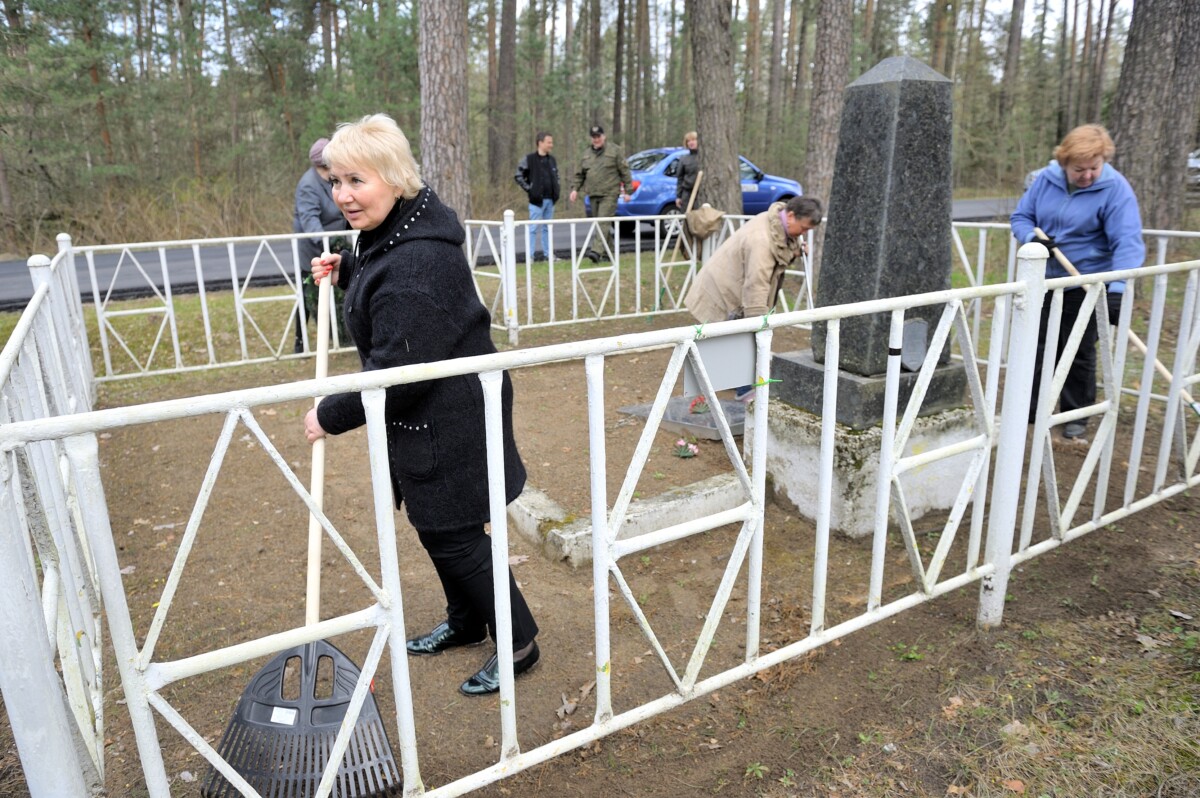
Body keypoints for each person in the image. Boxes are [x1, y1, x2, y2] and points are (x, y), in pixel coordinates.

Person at [302, 114, 540, 696]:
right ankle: (465, 623)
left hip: (448, 416)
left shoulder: (419, 260)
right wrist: (347, 268)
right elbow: (382, 267)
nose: (343, 196)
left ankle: (519, 643)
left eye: (356, 181)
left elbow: (398, 371)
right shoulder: (401, 227)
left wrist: (329, 415)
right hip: (432, 412)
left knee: (457, 535)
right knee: (438, 529)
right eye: (335, 182)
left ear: (392, 176)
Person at [1011, 123, 1145, 440]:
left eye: (1094, 168)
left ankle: (1075, 415)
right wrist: (1032, 238)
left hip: (1085, 280)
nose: (1087, 176)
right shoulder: (1045, 180)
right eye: (1079, 169)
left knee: (1077, 350)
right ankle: (1028, 408)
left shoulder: (1115, 189)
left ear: (1104, 161)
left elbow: (1127, 242)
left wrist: (1117, 290)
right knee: (1037, 345)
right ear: (1064, 163)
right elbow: (1021, 217)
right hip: (1042, 280)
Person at [684, 196, 824, 400]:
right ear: (791, 215)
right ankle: (745, 393)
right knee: (747, 339)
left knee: (737, 339)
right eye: (803, 229)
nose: (804, 234)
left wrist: (794, 251)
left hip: (735, 286)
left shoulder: (777, 221)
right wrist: (760, 324)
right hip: (723, 290)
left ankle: (734, 381)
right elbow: (756, 286)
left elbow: (779, 251)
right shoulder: (761, 240)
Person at [293, 137, 351, 353]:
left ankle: (338, 338)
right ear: (324, 163)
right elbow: (311, 223)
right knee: (307, 295)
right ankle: (300, 343)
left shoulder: (332, 179)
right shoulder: (308, 186)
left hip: (334, 248)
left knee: (324, 294)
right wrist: (330, 242)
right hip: (314, 250)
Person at [568, 124, 632, 263]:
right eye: (594, 137)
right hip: (593, 194)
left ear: (604, 136)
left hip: (610, 193)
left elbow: (625, 171)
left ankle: (596, 251)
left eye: (599, 137)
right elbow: (580, 175)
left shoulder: (615, 151)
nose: (596, 140)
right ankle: (610, 254)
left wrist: (628, 190)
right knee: (601, 225)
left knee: (603, 221)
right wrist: (575, 189)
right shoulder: (586, 154)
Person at [514, 131, 560, 261]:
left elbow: (557, 177)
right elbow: (518, 176)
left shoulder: (552, 160)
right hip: (536, 201)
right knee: (532, 228)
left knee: (548, 228)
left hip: (550, 200)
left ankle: (548, 255)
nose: (551, 145)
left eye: (551, 142)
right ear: (540, 143)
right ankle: (530, 257)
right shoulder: (529, 159)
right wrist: (530, 189)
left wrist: (557, 188)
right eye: (549, 142)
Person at [675, 131, 700, 209]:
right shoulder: (684, 159)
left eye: (693, 140)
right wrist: (678, 196)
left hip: (701, 194)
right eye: (688, 141)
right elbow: (680, 178)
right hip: (687, 194)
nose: (691, 143)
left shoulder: (704, 158)